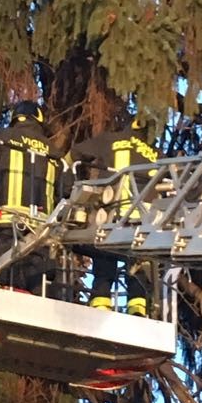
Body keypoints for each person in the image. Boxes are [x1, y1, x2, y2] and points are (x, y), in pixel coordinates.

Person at [69, 116, 159, 316]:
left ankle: (100, 304)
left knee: (104, 258)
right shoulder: (155, 154)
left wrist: (69, 180)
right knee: (138, 263)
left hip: (113, 215)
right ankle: (138, 309)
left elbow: (77, 152)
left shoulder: (112, 140)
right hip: (144, 222)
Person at [0, 101, 63, 294]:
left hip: (2, 221)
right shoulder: (54, 152)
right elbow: (66, 189)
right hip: (41, 228)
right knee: (40, 287)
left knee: (0, 280)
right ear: (39, 119)